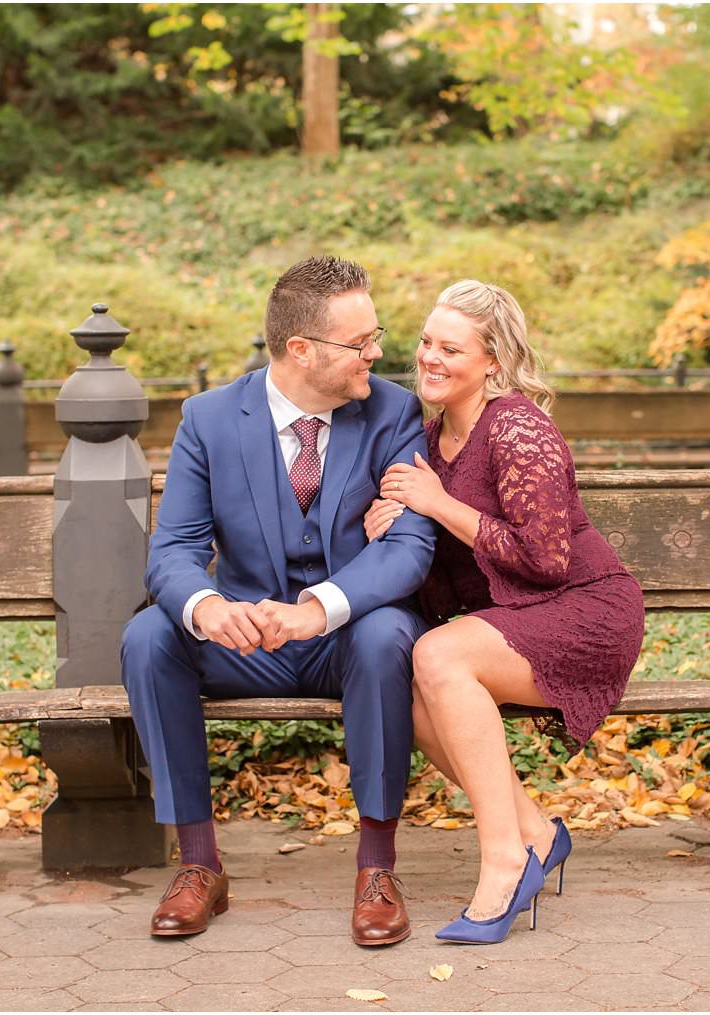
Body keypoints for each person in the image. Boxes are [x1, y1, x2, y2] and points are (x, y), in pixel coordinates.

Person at [122, 256, 436, 946]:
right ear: (301, 349)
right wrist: (206, 607)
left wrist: (319, 607)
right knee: (149, 638)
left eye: (375, 336)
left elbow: (410, 548)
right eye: (361, 343)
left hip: (347, 640)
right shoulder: (208, 419)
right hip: (247, 644)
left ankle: (378, 868)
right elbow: (172, 548)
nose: (377, 353)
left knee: (387, 636)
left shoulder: (393, 413)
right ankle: (198, 864)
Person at [366, 279, 645, 944]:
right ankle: (537, 833)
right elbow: (445, 562)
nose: (429, 358)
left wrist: (436, 505)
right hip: (518, 618)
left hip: (585, 610)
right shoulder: (431, 438)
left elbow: (545, 558)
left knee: (437, 654)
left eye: (450, 348)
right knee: (411, 685)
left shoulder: (518, 428)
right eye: (426, 342)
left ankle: (504, 861)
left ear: (492, 360)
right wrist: (393, 519)